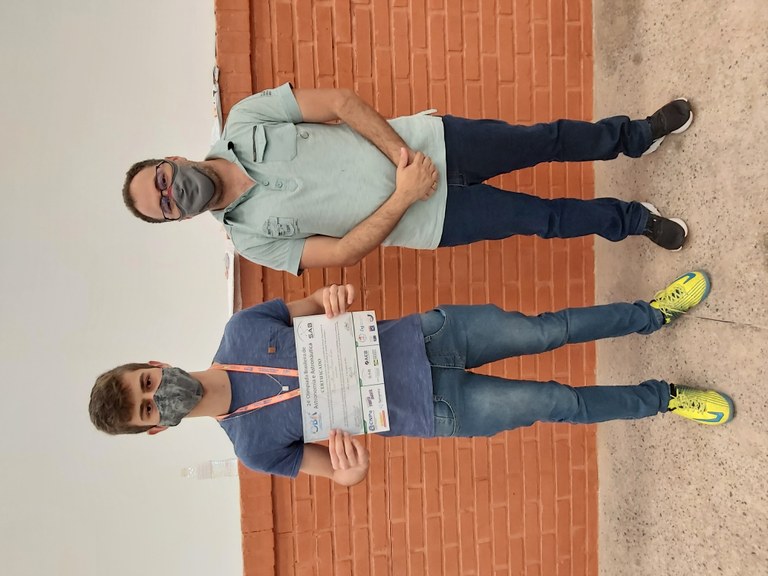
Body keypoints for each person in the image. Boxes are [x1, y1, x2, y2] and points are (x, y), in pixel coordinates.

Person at [89, 271, 733, 485]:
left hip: (427, 335)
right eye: (148, 409)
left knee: (548, 330)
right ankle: (666, 399)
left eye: (145, 383)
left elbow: (314, 304)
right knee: (557, 401)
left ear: (153, 363)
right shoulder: (253, 450)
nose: (157, 395)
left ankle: (653, 314)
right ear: (158, 430)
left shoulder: (240, 331)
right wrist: (350, 471)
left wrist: (332, 297)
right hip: (437, 411)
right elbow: (338, 473)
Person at [122, 84, 693, 275]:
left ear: (169, 159)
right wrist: (404, 197)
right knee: (542, 219)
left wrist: (403, 157)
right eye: (165, 205)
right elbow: (340, 252)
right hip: (434, 222)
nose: (173, 192)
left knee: (543, 140)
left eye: (161, 180)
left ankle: (635, 136)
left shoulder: (246, 119)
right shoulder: (249, 241)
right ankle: (635, 221)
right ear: (178, 219)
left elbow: (340, 103)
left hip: (434, 144)